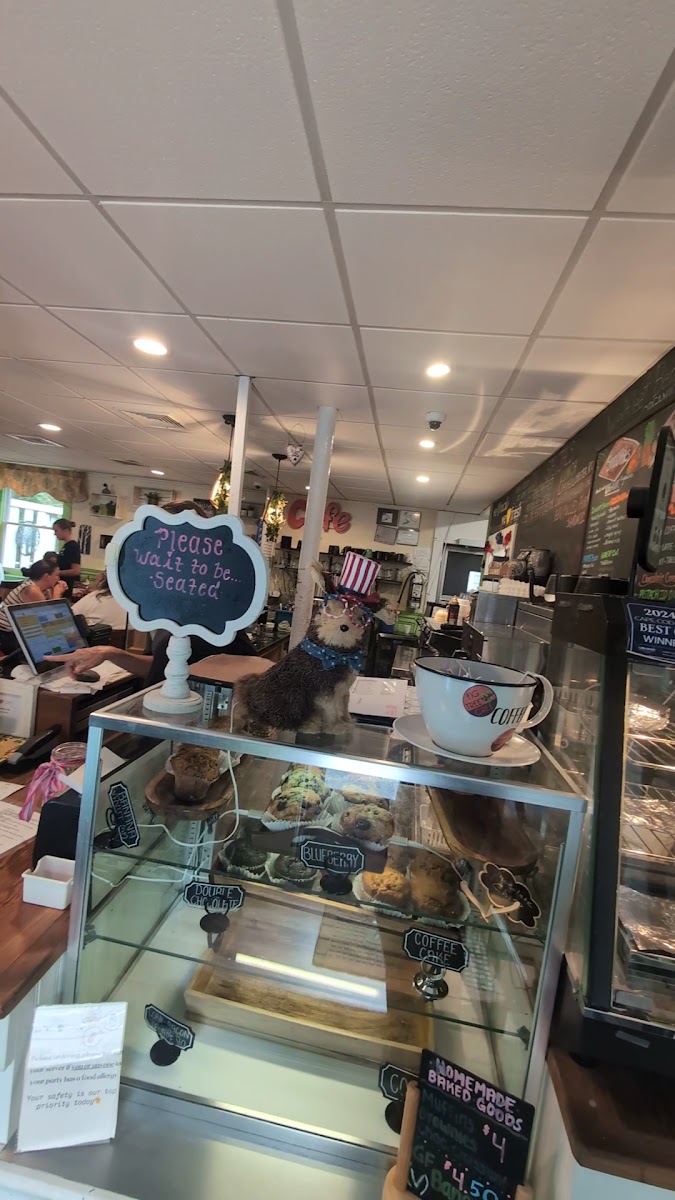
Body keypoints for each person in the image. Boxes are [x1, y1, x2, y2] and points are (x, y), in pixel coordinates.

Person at [47, 499, 259, 681]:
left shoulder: (208, 616)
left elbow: (246, 672)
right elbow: (162, 665)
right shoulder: (167, 610)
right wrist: (110, 653)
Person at [0, 561, 68, 654]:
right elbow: (51, 618)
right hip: (9, 635)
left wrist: (56, 589)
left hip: (22, 631)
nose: (59, 579)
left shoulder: (44, 589)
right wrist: (57, 593)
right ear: (46, 576)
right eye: (57, 575)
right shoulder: (32, 590)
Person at [53, 519, 81, 597]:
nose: (55, 534)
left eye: (56, 531)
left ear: (65, 530)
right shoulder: (66, 546)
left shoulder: (73, 546)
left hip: (68, 586)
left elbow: (76, 571)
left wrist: (56, 573)